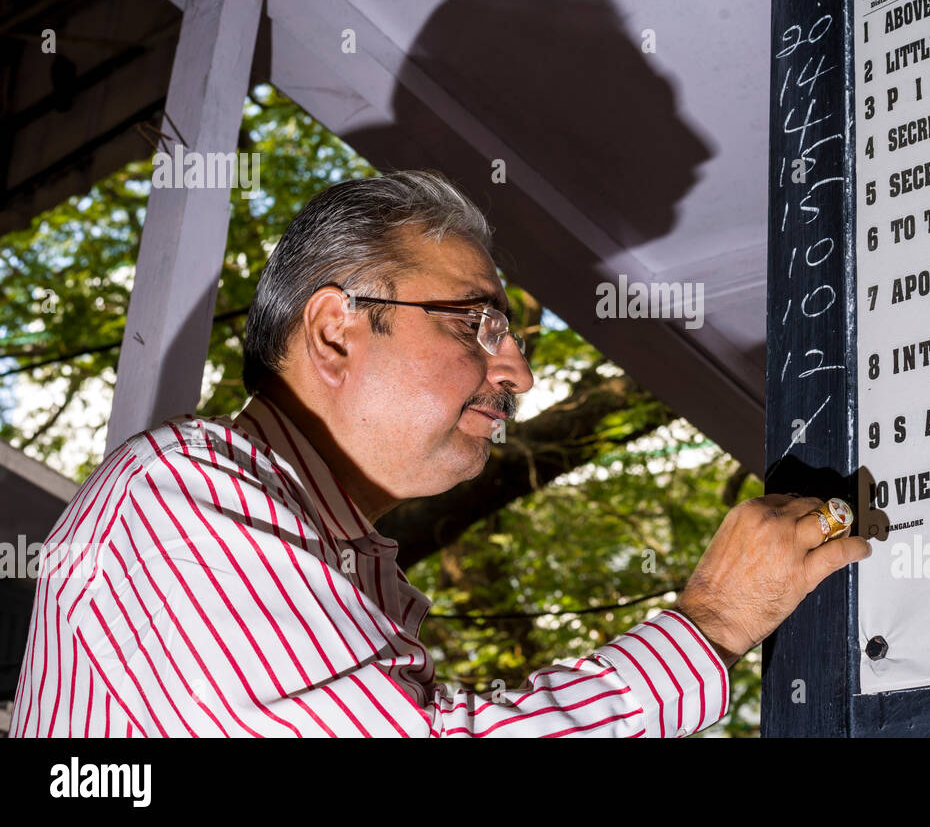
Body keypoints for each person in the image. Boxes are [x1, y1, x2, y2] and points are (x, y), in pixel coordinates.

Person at [11, 171, 870, 737]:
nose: (520, 373)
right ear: (335, 331)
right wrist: (712, 620)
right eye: (478, 323)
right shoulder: (174, 499)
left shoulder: (353, 569)